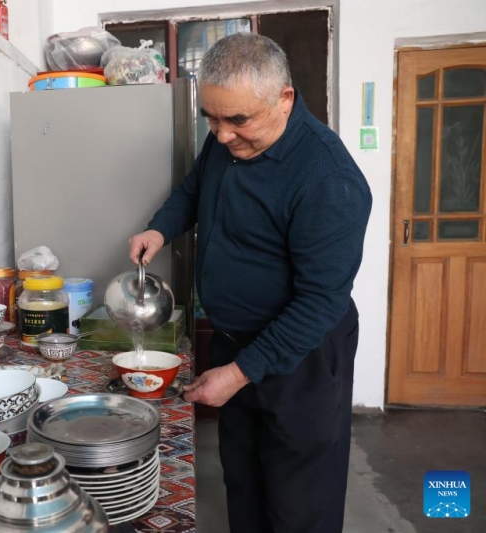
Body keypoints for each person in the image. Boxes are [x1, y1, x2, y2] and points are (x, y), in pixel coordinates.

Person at [128, 33, 372, 533]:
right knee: (243, 479)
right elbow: (194, 188)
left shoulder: (328, 180)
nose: (221, 136)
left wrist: (240, 373)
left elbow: (319, 303)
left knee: (298, 499)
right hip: (234, 342)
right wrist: (160, 226)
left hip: (302, 354)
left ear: (284, 99)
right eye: (211, 119)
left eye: (237, 120)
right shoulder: (227, 137)